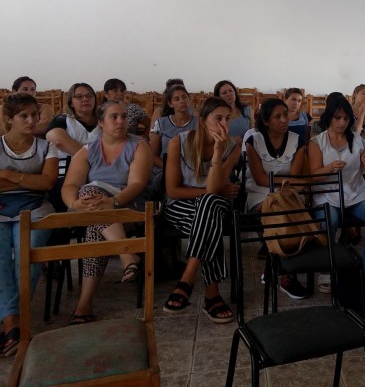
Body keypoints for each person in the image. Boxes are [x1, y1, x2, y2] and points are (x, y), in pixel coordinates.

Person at [60, 101, 152, 325]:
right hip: (95, 210)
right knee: (91, 200)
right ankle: (126, 254)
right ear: (101, 122)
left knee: (94, 220)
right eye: (114, 117)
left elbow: (137, 183)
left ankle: (84, 305)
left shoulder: (139, 146)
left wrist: (113, 201)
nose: (121, 121)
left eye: (124, 117)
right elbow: (70, 185)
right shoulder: (88, 150)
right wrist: (75, 203)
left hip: (128, 208)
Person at [162, 97, 240, 323]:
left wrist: (218, 150)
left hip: (213, 206)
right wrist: (212, 192)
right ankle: (212, 295)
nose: (224, 124)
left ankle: (187, 277)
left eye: (227, 119)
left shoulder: (232, 148)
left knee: (209, 205)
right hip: (180, 207)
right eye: (218, 118)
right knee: (209, 216)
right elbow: (173, 191)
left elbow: (214, 190)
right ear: (203, 120)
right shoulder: (178, 143)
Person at [308, 96, 365, 299]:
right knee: (329, 220)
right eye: (337, 118)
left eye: (345, 118)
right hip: (327, 195)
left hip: (354, 193)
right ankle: (326, 270)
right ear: (329, 118)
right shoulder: (317, 142)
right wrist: (329, 168)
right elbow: (313, 176)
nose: (342, 122)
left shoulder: (358, 140)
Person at [0, 93, 58, 356]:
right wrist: (28, 180)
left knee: (28, 252)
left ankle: (13, 319)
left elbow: (47, 182)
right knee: (0, 256)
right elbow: (39, 180)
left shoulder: (47, 147)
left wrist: (9, 175)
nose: (32, 120)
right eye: (23, 115)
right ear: (9, 119)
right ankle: (12, 320)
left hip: (36, 208)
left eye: (35, 114)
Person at [243, 98, 308, 298]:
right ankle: (287, 276)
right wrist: (288, 182)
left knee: (290, 216)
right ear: (266, 121)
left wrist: (287, 183)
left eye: (285, 115)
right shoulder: (253, 141)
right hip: (259, 194)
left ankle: (273, 268)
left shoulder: (298, 140)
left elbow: (295, 178)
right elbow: (261, 180)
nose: (284, 120)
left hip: (287, 195)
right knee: (280, 216)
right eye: (277, 116)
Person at [149, 84, 198, 172]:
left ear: (189, 99)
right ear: (170, 104)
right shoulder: (161, 123)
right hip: (164, 170)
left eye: (185, 97)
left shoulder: (199, 123)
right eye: (177, 99)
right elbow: (152, 156)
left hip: (191, 171)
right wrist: (172, 169)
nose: (182, 101)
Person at [46, 83, 101, 158]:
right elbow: (57, 141)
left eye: (89, 96)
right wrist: (93, 158)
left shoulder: (105, 119)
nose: (85, 99)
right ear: (71, 103)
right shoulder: (61, 119)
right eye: (79, 97)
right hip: (69, 164)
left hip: (103, 164)